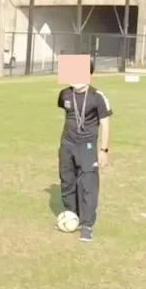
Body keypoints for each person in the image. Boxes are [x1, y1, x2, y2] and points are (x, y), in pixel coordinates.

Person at [56, 55, 112, 242]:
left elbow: (105, 123)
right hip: (67, 145)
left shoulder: (98, 97)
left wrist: (103, 150)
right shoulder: (64, 94)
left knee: (88, 184)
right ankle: (71, 216)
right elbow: (68, 115)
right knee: (67, 181)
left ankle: (87, 224)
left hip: (87, 146)